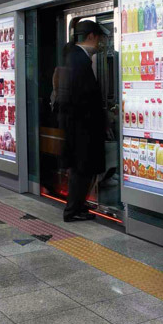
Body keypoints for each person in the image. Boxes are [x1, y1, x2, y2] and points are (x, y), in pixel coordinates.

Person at [57, 20, 107, 222]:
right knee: (82, 169)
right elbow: (82, 96)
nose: (101, 44)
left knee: (82, 168)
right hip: (82, 127)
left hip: (78, 126)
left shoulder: (74, 56)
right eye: (100, 39)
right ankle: (73, 210)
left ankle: (79, 205)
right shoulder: (79, 60)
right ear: (91, 37)